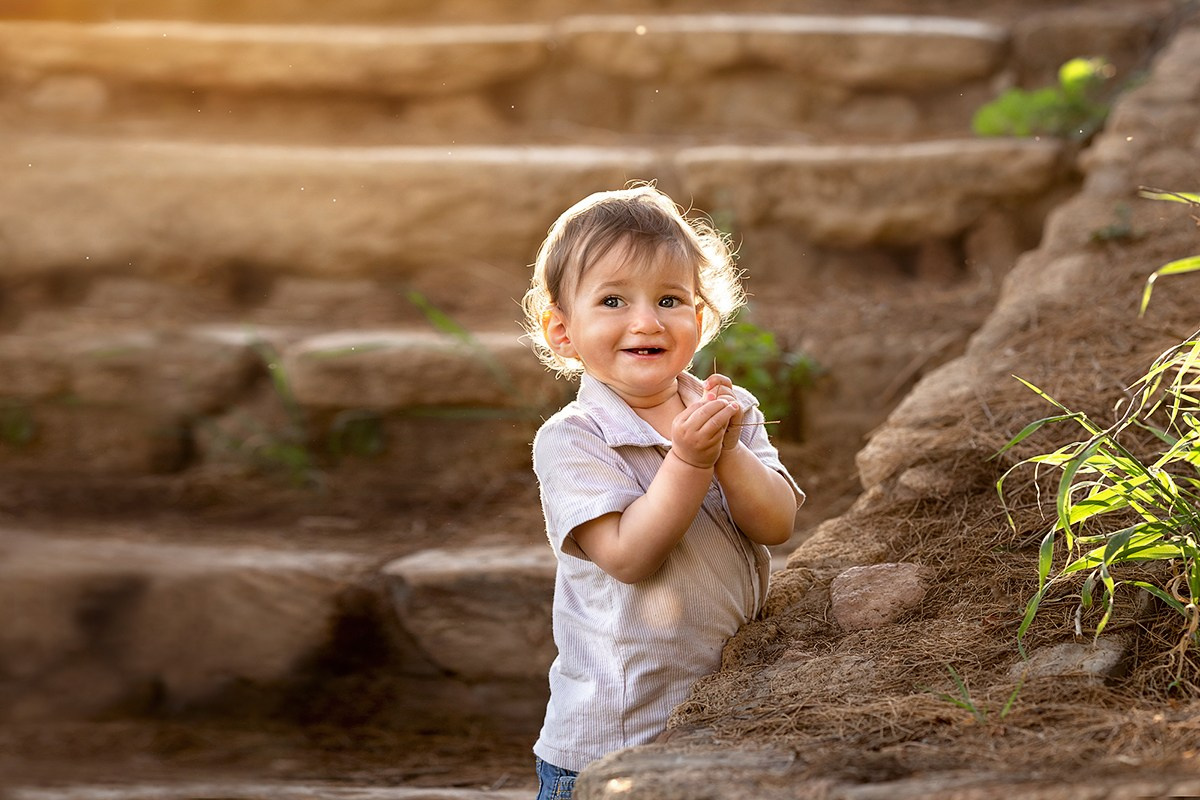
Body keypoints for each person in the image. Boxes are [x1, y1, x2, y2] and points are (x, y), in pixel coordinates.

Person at [521, 184, 804, 800]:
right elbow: (628, 556)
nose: (645, 321)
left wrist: (725, 451)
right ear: (563, 331)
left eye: (669, 299)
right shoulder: (574, 438)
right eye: (613, 300)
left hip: (721, 714)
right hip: (613, 741)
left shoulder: (727, 409)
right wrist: (688, 459)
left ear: (700, 321)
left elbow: (776, 524)